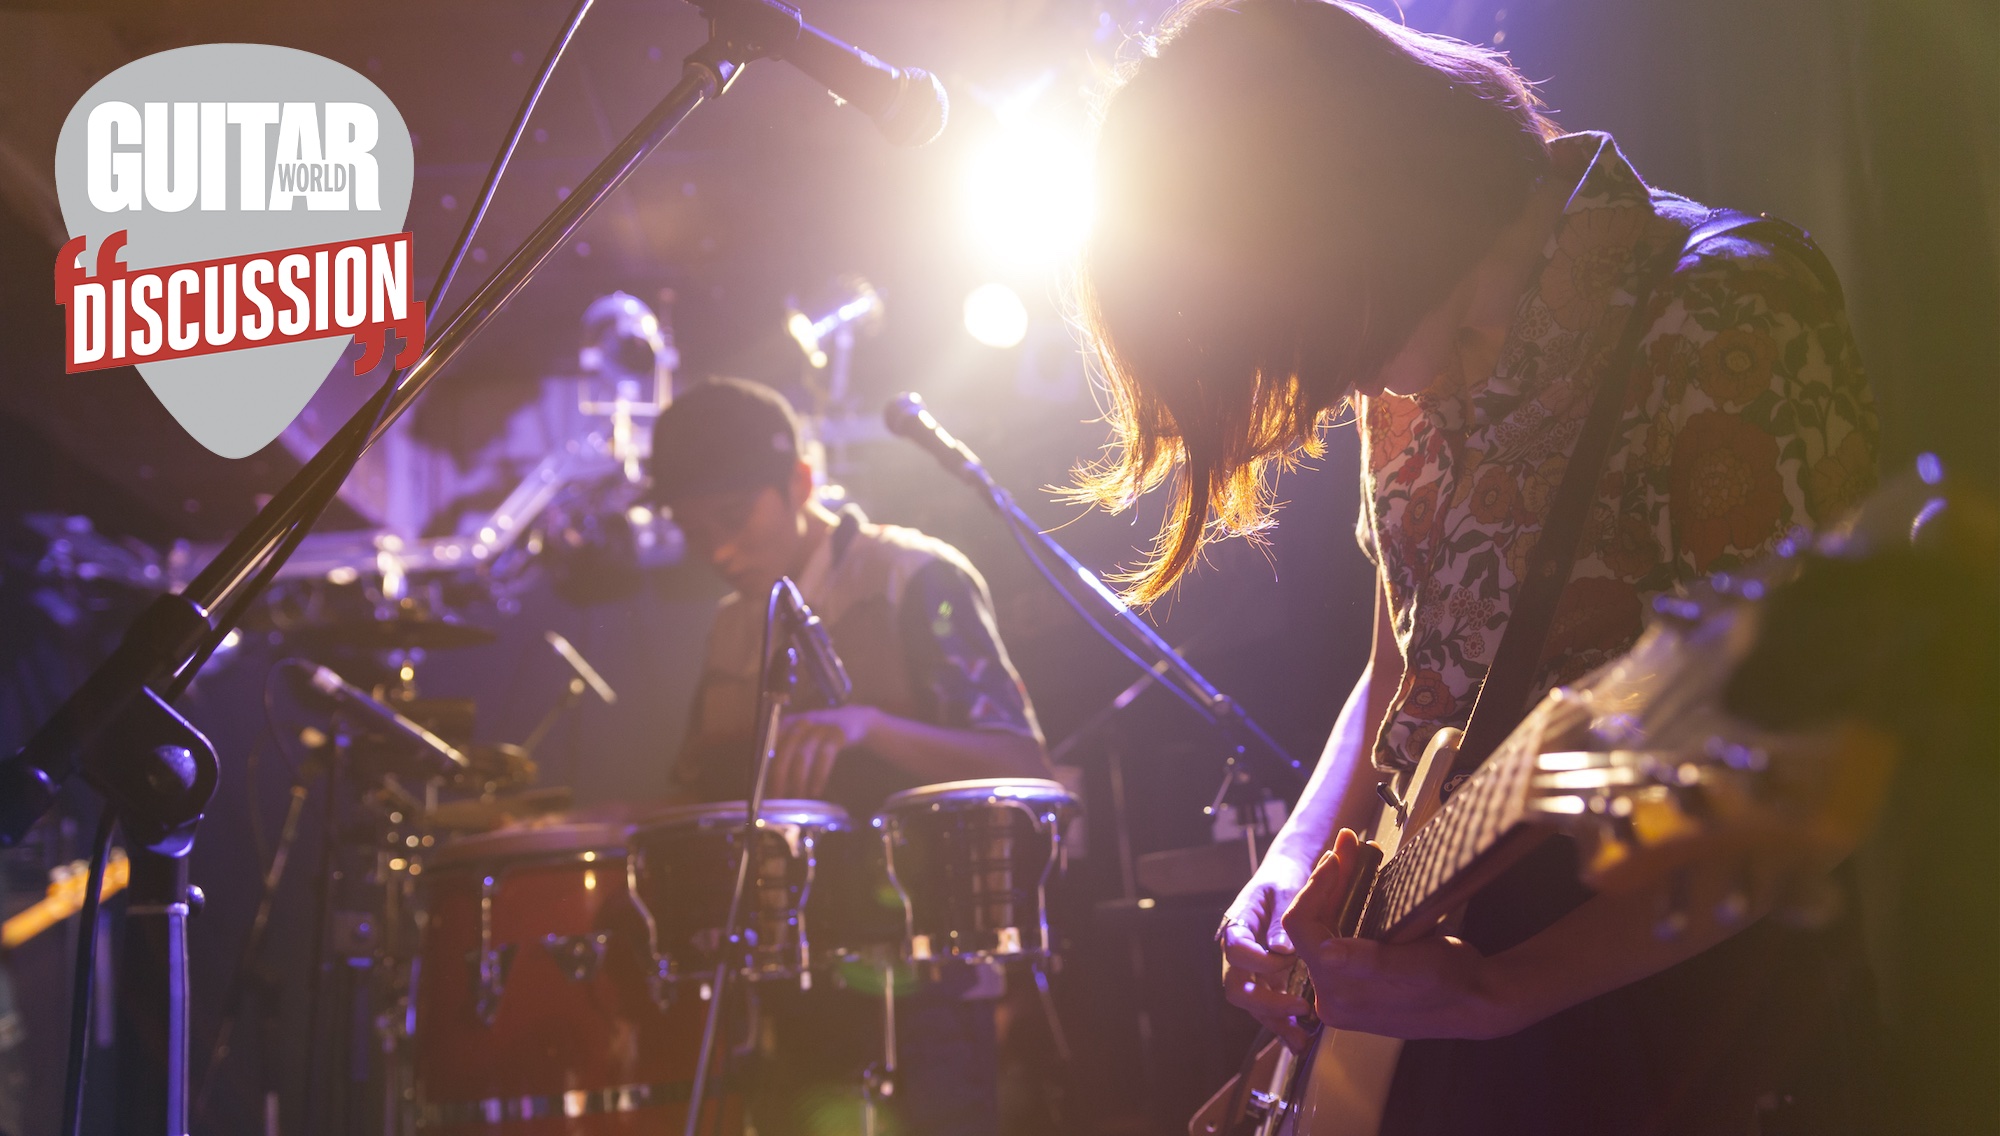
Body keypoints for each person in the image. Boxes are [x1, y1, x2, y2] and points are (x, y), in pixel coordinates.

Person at [1073, 1, 1881, 1132]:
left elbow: (1813, 759)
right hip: (1450, 1046)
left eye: (1303, 336)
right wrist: (1288, 864)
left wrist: (1503, 989)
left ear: (1357, 213)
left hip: (1683, 1041)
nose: (1333, 384)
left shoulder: (1724, 311)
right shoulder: (1400, 372)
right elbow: (1396, 672)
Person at [649, 376, 1052, 1136]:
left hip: (924, 981)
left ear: (800, 482)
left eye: (734, 517)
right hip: (782, 988)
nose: (720, 549)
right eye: (694, 531)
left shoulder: (912, 576)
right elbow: (695, 794)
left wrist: (866, 726)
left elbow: (1021, 762)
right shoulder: (731, 626)